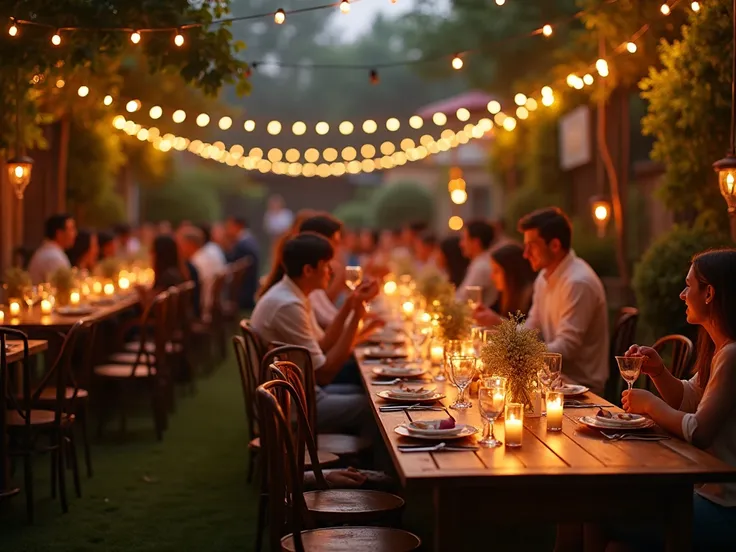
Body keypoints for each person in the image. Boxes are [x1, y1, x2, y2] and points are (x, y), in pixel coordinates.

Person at [598, 249, 736, 551]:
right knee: (602, 520)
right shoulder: (719, 349)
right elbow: (689, 399)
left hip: (725, 509)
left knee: (595, 511)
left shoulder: (732, 354)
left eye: (689, 286)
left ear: (710, 292)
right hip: (705, 495)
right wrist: (659, 372)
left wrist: (649, 405)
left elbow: (699, 431)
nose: (682, 294)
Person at [250, 233, 377, 435]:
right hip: (291, 404)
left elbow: (323, 344)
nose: (331, 271)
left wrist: (352, 303)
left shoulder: (294, 294)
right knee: (375, 408)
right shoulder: (287, 305)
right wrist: (355, 317)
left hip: (299, 391)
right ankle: (368, 466)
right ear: (309, 270)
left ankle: (358, 461)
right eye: (326, 265)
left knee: (372, 393)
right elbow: (325, 373)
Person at [521, 207, 609, 394]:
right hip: (553, 380)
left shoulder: (578, 282)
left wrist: (521, 353)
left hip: (582, 390)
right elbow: (532, 326)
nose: (526, 254)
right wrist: (504, 341)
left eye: (532, 246)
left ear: (554, 245)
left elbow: (566, 348)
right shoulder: (545, 277)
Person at [474, 242, 536, 319]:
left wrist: (497, 321)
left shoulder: (530, 299)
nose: (492, 277)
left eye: (496, 271)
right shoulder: (504, 295)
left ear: (511, 272)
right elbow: (493, 313)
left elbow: (528, 330)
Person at [456, 220, 498, 307]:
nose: (461, 244)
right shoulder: (480, 262)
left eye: (464, 239)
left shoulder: (481, 267)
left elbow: (463, 300)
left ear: (476, 242)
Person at [190, 223, 227, 321]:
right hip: (216, 301)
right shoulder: (215, 249)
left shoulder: (198, 260)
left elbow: (198, 287)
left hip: (204, 307)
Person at [28, 214, 77, 283]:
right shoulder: (53, 257)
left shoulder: (51, 252)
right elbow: (62, 288)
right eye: (71, 229)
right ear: (59, 234)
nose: (75, 234)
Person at [224, 216, 260, 310]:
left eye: (229, 227)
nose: (227, 231)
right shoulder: (249, 240)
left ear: (238, 226)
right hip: (249, 291)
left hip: (244, 293)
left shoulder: (243, 245)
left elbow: (230, 263)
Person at [176, 226, 204, 319]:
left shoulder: (196, 263)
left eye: (180, 243)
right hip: (200, 306)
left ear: (189, 244)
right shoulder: (201, 256)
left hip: (199, 309)